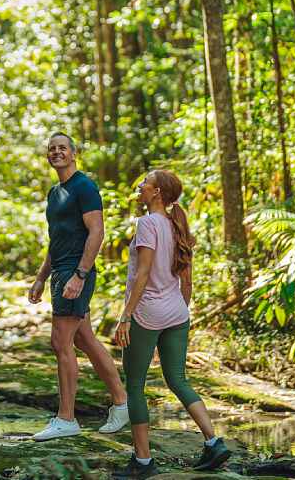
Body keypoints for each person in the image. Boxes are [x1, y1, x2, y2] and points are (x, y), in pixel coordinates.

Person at [111, 170, 230, 478]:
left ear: (157, 193)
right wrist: (176, 310)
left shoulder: (148, 223)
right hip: (177, 313)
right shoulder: (177, 226)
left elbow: (144, 273)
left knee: (135, 385)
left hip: (147, 314)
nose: (139, 185)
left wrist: (126, 316)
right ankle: (214, 441)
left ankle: (143, 461)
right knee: (178, 379)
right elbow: (187, 282)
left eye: (145, 183)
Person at [27, 132, 130, 441]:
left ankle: (66, 418)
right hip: (60, 272)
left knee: (60, 343)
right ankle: (123, 403)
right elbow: (55, 240)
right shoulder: (55, 192)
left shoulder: (85, 187)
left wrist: (80, 275)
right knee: (83, 340)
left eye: (62, 148)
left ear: (73, 153)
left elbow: (97, 232)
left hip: (75, 274)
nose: (57, 152)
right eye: (52, 149)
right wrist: (41, 277)